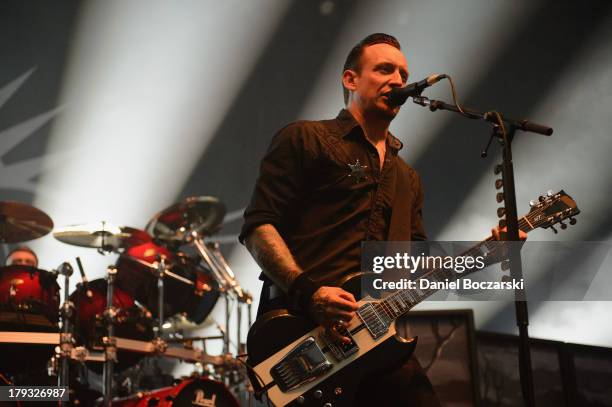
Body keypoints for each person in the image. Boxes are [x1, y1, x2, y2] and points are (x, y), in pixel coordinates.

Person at [240, 33, 442, 406]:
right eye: (384, 69)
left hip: (374, 342)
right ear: (351, 80)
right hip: (300, 332)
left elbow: (411, 265)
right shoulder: (306, 138)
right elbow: (258, 227)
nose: (397, 80)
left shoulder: (407, 178)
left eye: (402, 72)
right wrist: (310, 293)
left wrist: (494, 249)